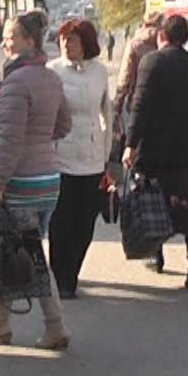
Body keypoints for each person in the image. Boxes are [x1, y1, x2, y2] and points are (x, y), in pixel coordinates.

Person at [0, 10, 72, 348]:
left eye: (11, 36)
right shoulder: (51, 78)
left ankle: (53, 326)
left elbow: (11, 141)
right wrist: (41, 137)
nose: (4, 42)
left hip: (22, 181)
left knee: (21, 255)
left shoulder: (15, 83)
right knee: (10, 250)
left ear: (28, 41)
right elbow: (63, 126)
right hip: (49, 178)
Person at [124, 14, 188, 289]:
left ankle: (156, 256)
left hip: (158, 152)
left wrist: (130, 145)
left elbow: (139, 107)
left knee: (157, 204)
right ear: (186, 37)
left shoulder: (151, 62)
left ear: (160, 36)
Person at [49, 18, 112, 300]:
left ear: (85, 43)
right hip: (60, 155)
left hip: (91, 156)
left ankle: (72, 273)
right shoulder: (52, 71)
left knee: (85, 219)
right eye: (62, 39)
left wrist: (107, 155)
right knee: (61, 219)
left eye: (71, 39)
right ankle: (59, 276)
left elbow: (107, 115)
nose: (65, 44)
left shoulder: (100, 72)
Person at [112, 10, 163, 136]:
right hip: (161, 100)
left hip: (137, 99)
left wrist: (118, 103)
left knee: (137, 135)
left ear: (143, 23)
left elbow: (125, 75)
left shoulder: (134, 44)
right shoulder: (163, 44)